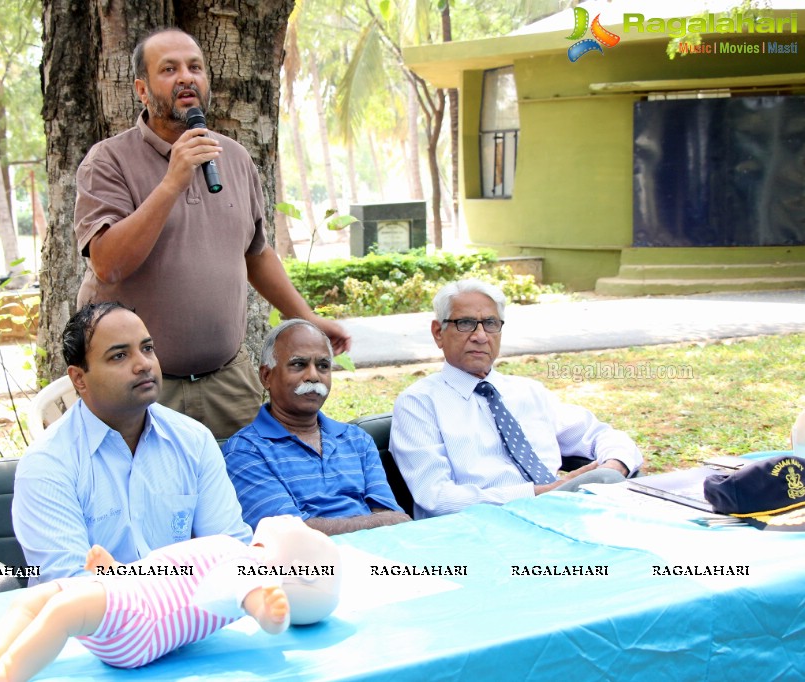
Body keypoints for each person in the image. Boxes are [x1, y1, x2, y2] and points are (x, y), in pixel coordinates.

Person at [72, 27, 350, 440]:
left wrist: (307, 319)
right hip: (142, 387)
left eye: (195, 67)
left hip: (227, 382)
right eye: (169, 69)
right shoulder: (108, 161)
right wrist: (171, 182)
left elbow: (255, 254)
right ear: (142, 90)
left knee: (244, 498)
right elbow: (108, 264)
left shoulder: (232, 157)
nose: (186, 77)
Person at [13, 301, 251, 585]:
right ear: (79, 379)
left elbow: (231, 553)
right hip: (92, 623)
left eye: (147, 348)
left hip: (187, 619)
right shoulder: (48, 463)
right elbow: (71, 583)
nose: (143, 364)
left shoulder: (193, 440)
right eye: (119, 356)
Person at [0, 516, 340, 681]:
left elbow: (252, 602)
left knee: (61, 611)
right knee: (36, 599)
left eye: (304, 530)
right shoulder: (231, 550)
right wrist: (116, 570)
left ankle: (11, 669)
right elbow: (163, 575)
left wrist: (271, 615)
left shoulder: (247, 569)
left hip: (139, 625)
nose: (295, 520)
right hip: (130, 598)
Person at [390, 280, 642, 519]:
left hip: (563, 516)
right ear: (438, 333)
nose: (480, 336)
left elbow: (603, 435)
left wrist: (613, 467)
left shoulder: (528, 392)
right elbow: (437, 498)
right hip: (482, 531)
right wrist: (540, 494)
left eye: (490, 323)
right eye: (465, 323)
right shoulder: (419, 404)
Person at [224, 320, 411, 535]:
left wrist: (380, 522)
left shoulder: (357, 440)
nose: (313, 376)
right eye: (298, 364)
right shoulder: (246, 450)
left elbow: (392, 518)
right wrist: (374, 522)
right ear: (267, 376)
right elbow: (289, 534)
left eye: (323, 366)